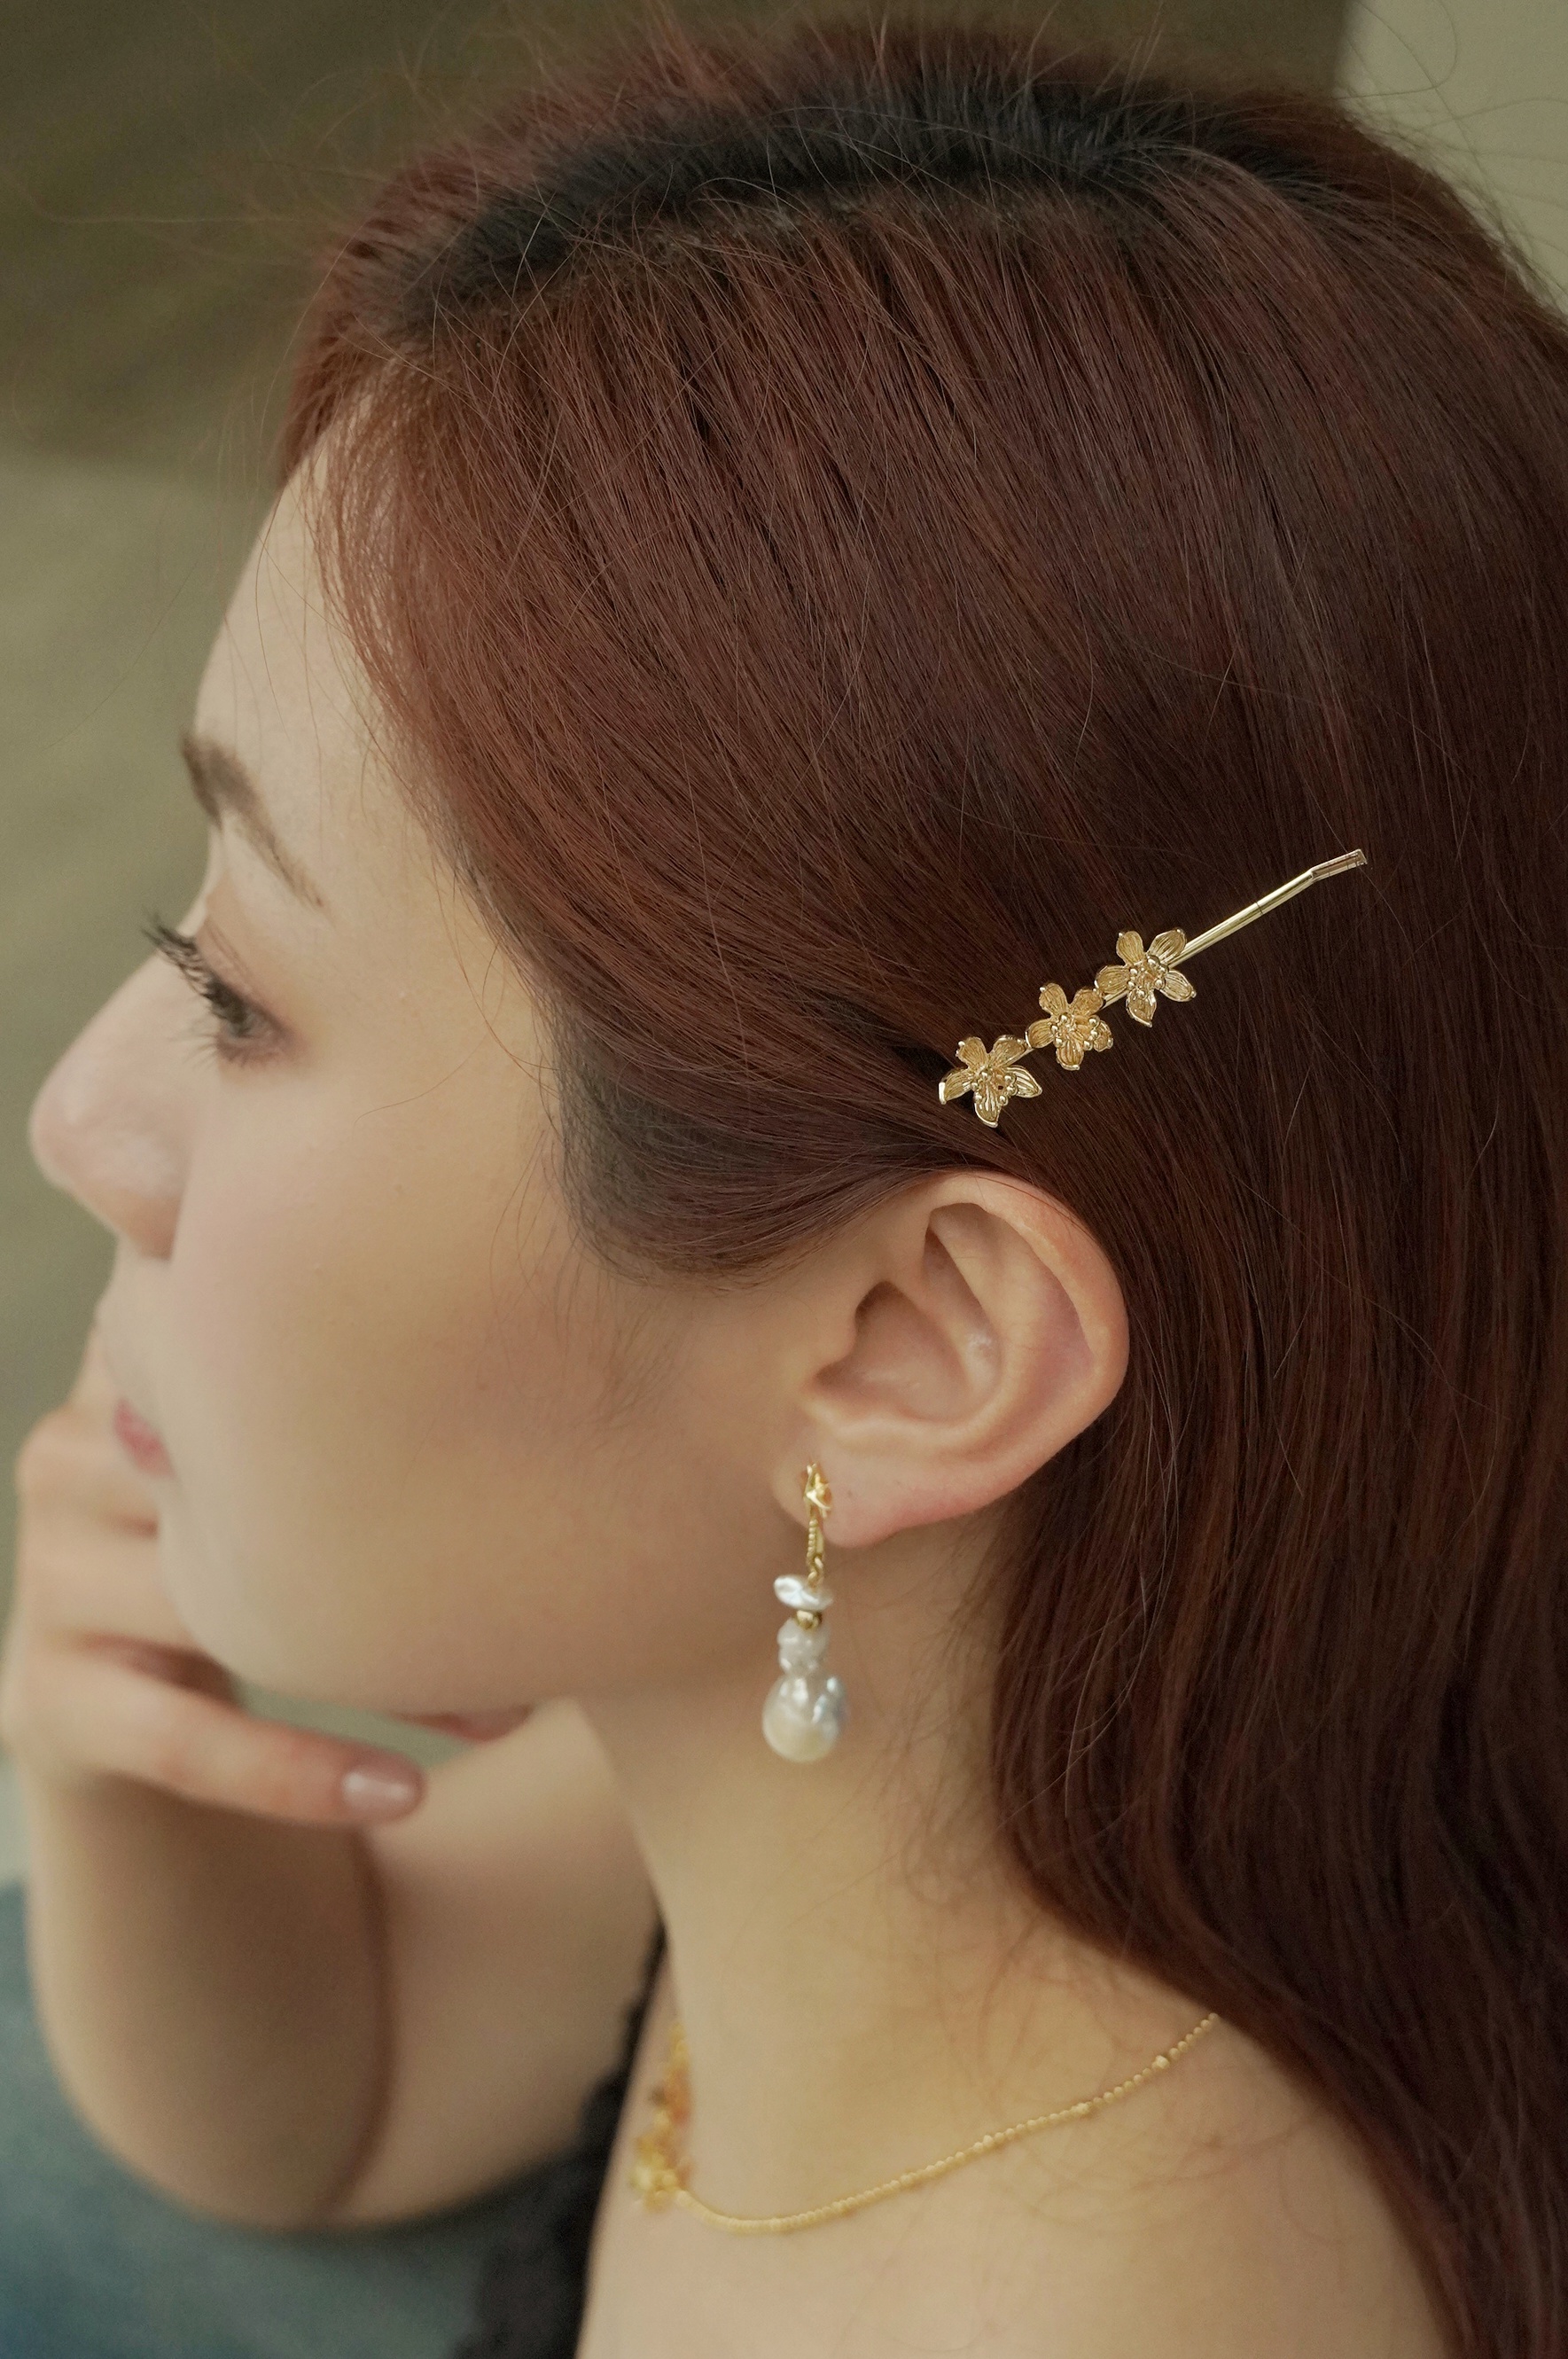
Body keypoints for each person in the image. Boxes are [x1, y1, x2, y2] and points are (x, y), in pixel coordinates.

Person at [4, 18, 1565, 2356]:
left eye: (240, 997)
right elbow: (351, 2101)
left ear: (912, 1345)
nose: (79, 1121)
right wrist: (134, 1772)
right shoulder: (1014, 1739)